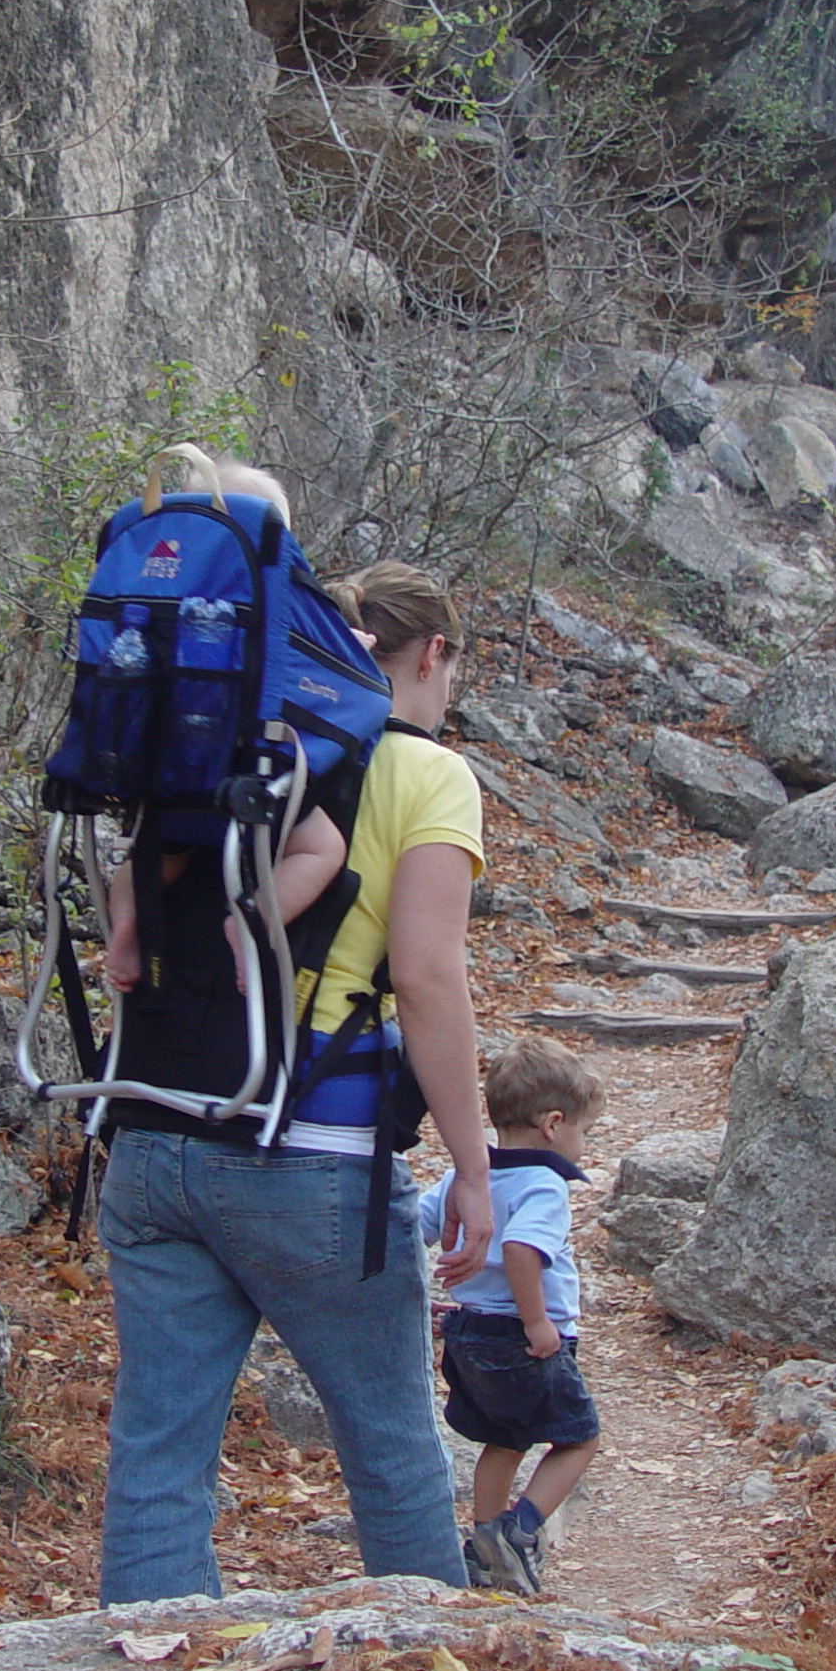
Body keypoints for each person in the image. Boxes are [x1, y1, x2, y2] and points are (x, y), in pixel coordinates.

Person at [97, 555, 495, 1605]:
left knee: (156, 1456)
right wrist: (475, 1167)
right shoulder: (429, 776)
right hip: (313, 1157)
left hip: (152, 1131)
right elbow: (424, 976)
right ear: (434, 652)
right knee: (392, 1449)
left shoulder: (229, 737)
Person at [98, 462, 347, 995]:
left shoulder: (159, 594)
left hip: (160, 766)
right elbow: (316, 674)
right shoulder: (268, 594)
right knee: (322, 848)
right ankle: (250, 923)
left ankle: (126, 921)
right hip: (243, 771)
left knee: (152, 856)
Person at [418, 1038, 605, 1596]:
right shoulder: (545, 1183)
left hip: (469, 1330)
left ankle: (483, 1546)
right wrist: (536, 1324)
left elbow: (415, 1224)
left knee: (504, 1439)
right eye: (584, 1131)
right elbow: (524, 1250)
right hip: (521, 1339)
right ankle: (520, 1531)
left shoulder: (468, 1173)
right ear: (553, 1124)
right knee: (579, 1439)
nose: (583, 1143)